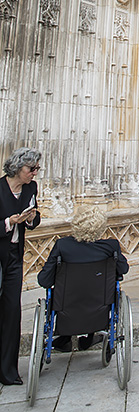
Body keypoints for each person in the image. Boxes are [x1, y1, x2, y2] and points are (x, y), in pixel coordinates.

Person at [37, 206, 129, 352]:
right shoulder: (110, 247)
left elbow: (44, 280)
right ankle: (90, 336)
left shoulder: (63, 246)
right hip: (99, 304)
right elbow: (123, 270)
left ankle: (65, 337)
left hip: (66, 304)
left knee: (64, 294)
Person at [0, 148, 41, 386]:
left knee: (12, 311)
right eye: (30, 169)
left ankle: (8, 371)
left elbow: (35, 221)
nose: (34, 174)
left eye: (36, 169)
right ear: (17, 168)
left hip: (14, 257)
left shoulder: (30, 189)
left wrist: (30, 218)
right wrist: (8, 222)